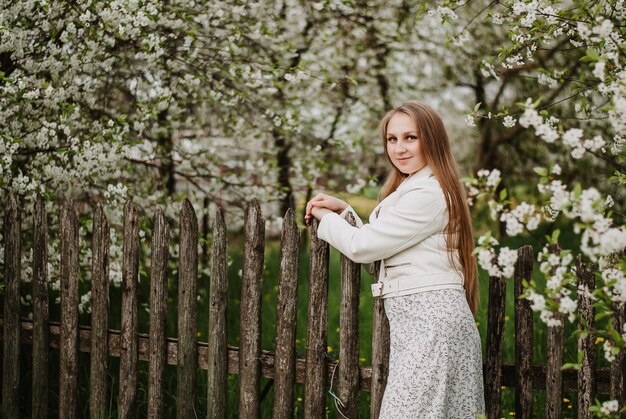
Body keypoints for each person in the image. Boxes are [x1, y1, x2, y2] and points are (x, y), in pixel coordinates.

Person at [304, 101, 485, 418]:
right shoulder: (415, 187)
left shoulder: (429, 193)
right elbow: (387, 244)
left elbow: (364, 248)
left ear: (432, 139)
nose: (399, 149)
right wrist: (345, 211)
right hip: (424, 326)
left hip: (433, 326)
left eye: (411, 138)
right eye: (392, 139)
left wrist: (323, 216)